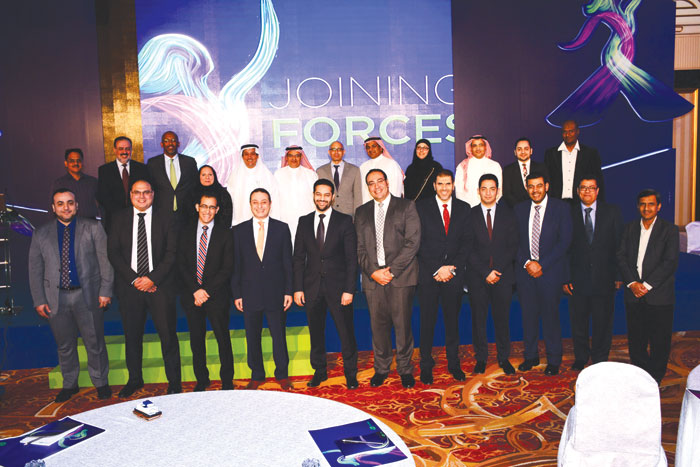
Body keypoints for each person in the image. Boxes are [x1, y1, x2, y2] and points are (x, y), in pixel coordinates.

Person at [28, 189, 114, 402]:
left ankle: (101, 383)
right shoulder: (41, 233)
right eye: (60, 203)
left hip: (88, 296)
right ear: (53, 207)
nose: (65, 207)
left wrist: (105, 291)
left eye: (69, 203)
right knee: (65, 345)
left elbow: (105, 261)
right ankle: (70, 384)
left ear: (76, 205)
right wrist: (39, 299)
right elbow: (35, 269)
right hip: (55, 299)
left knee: (94, 342)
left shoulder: (93, 228)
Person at [107, 179, 181, 397]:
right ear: (130, 195)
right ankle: (134, 380)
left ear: (153, 195)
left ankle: (174, 382)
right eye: (137, 193)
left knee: (168, 336)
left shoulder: (167, 218)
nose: (142, 197)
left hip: (160, 287)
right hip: (130, 289)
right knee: (132, 337)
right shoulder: (118, 218)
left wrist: (151, 279)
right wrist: (135, 280)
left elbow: (171, 253)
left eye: (146, 193)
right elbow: (114, 253)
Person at [355, 169, 420, 388]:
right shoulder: (361, 212)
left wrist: (391, 272)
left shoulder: (406, 206)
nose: (376, 186)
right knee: (378, 327)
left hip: (400, 277)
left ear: (387, 182)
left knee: (402, 326)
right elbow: (359, 248)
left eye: (379, 181)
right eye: (371, 183)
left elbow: (412, 243)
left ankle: (405, 369)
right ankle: (381, 369)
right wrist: (373, 272)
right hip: (373, 278)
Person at [293, 179, 359, 389]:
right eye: (318, 194)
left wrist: (350, 289)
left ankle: (350, 374)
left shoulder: (344, 221)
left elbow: (351, 259)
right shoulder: (303, 222)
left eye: (326, 194)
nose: (322, 198)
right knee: (316, 333)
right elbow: (298, 258)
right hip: (311, 288)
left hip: (339, 289)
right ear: (313, 195)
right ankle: (319, 371)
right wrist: (297, 288)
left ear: (332, 196)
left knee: (346, 333)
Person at [231, 188, 293, 390]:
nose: (260, 206)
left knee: (278, 336)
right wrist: (237, 294)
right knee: (252, 336)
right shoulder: (238, 231)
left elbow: (287, 263)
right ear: (250, 205)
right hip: (249, 294)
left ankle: (282, 374)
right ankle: (257, 374)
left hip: (276, 293)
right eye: (255, 202)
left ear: (270, 203)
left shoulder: (281, 229)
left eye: (263, 202)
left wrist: (288, 291)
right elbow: (236, 266)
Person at [617, 189, 679, 384]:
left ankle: (655, 378)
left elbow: (670, 262)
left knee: (660, 341)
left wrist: (646, 285)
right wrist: (633, 283)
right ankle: (641, 377)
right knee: (637, 340)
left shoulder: (669, 230)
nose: (646, 208)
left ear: (658, 206)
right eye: (643, 204)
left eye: (651, 204)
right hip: (633, 294)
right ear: (638, 206)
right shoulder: (629, 229)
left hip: (659, 296)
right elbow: (621, 256)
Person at [415, 169, 471, 384]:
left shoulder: (464, 208)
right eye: (440, 184)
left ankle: (454, 364)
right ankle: (426, 366)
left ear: (453, 185)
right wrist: (437, 268)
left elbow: (467, 242)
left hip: (454, 275)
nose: (444, 188)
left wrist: (451, 267)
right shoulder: (421, 207)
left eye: (448, 183)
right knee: (427, 322)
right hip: (430, 275)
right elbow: (418, 241)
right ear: (434, 186)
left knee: (452, 322)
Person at [514, 172, 572, 376]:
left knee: (550, 317)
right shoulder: (519, 209)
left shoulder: (561, 208)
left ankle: (554, 359)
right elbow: (514, 242)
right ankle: (530, 356)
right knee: (528, 317)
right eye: (531, 186)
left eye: (539, 185)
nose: (535, 190)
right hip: (525, 273)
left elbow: (564, 242)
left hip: (550, 273)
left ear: (546, 186)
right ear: (527, 188)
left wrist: (541, 265)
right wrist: (529, 263)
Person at [177, 191, 235, 391]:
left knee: (222, 338)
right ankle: (201, 379)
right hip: (191, 296)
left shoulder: (225, 233)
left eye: (212, 207)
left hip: (216, 296)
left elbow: (227, 268)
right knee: (196, 339)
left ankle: (227, 380)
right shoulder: (184, 232)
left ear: (217, 210)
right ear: (197, 207)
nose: (207, 211)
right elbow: (181, 264)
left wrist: (205, 291)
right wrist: (195, 290)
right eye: (204, 206)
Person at [564, 176, 622, 371]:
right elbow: (565, 248)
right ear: (578, 191)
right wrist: (566, 278)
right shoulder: (569, 214)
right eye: (583, 188)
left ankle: (599, 358)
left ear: (597, 191)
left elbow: (618, 246)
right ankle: (581, 357)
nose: (587, 191)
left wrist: (618, 276)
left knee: (603, 322)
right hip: (577, 280)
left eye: (591, 188)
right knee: (578, 321)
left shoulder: (611, 212)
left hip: (604, 279)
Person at [466, 174, 519, 375]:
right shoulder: (469, 215)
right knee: (478, 319)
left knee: (502, 319)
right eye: (484, 189)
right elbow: (467, 248)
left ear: (498, 191)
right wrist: (485, 272)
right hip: (477, 277)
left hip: (503, 276)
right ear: (478, 191)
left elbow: (513, 246)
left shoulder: (509, 214)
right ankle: (481, 358)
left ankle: (503, 357)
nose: (488, 192)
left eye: (492, 188)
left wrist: (497, 270)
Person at [97, 136, 150, 233]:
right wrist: (121, 215)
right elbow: (103, 196)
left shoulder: (142, 169)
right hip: (114, 219)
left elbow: (146, 194)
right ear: (114, 150)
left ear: (131, 150)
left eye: (127, 149)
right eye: (121, 149)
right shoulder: (104, 170)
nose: (124, 152)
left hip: (138, 218)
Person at [544, 120, 604, 203]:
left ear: (577, 131)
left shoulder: (590, 153)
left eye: (571, 131)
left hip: (582, 204)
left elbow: (598, 180)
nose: (567, 135)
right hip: (557, 203)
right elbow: (547, 180)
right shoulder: (550, 154)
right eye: (564, 132)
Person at [146, 131, 198, 224]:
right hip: (161, 214)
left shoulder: (190, 162)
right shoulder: (152, 163)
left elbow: (195, 185)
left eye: (173, 140)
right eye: (166, 141)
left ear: (178, 143)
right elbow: (150, 188)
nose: (170, 143)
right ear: (162, 144)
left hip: (186, 213)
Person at [226, 144, 281, 225]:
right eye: (246, 154)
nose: (249, 157)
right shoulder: (234, 177)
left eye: (252, 154)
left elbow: (275, 201)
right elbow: (230, 203)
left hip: (263, 222)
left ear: (257, 156)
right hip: (241, 222)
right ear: (242, 156)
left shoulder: (267, 176)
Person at [274, 145, 317, 240]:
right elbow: (275, 199)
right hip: (285, 218)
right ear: (286, 157)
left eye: (297, 155)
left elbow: (316, 198)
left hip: (306, 218)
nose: (294, 159)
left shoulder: (311, 174)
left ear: (301, 157)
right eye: (290, 156)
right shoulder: (278, 174)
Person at [316, 141, 363, 217]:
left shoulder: (354, 170)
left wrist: (357, 218)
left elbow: (358, 197)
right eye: (333, 149)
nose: (336, 152)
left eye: (339, 149)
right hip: (328, 215)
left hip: (348, 216)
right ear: (329, 152)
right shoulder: (320, 171)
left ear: (343, 152)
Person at [51, 148, 100, 218]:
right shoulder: (59, 183)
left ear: (82, 163)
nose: (76, 163)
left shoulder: (93, 181)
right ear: (66, 163)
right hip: (68, 225)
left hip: (91, 224)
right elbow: (52, 209)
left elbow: (102, 205)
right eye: (72, 161)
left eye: (78, 161)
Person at [455, 135, 502, 208]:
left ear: (485, 147)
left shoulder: (495, 165)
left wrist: (488, 207)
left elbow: (499, 190)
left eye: (481, 145)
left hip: (489, 208)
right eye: (474, 145)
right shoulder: (462, 166)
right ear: (470, 148)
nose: (478, 148)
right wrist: (468, 207)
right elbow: (459, 192)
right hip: (468, 209)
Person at [502, 138, 549, 208]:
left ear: (531, 151)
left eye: (526, 149)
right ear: (515, 152)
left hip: (539, 208)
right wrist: (521, 208)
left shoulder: (541, 168)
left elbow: (546, 190)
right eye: (519, 149)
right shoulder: (508, 170)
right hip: (516, 210)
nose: (523, 152)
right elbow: (507, 194)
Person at [359, 137, 404, 204]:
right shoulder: (363, 167)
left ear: (381, 148)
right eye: (368, 147)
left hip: (389, 206)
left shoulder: (392, 164)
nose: (371, 149)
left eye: (374, 146)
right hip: (368, 207)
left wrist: (393, 206)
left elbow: (396, 188)